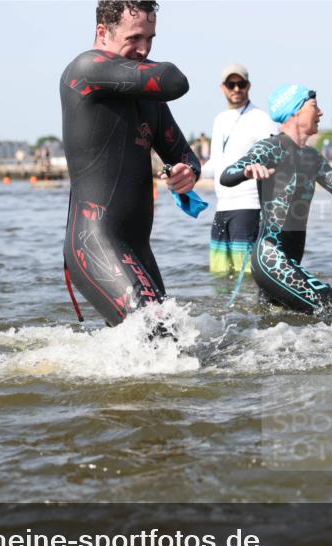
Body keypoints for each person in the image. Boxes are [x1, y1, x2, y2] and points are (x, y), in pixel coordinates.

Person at [60, 0, 200, 327]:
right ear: (102, 32)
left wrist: (187, 171)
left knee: (169, 342)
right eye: (134, 38)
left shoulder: (146, 96)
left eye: (150, 38)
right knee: (157, 336)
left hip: (137, 248)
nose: (144, 49)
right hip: (95, 242)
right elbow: (174, 80)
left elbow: (183, 154)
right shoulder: (86, 69)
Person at [219, 84, 332, 313]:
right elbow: (227, 175)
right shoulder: (270, 147)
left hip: (290, 262)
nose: (321, 112)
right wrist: (247, 171)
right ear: (295, 112)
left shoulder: (312, 157)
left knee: (275, 322)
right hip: (271, 259)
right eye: (314, 106)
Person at [199, 63, 277, 275]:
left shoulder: (261, 119)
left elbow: (276, 162)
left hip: (249, 208)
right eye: (230, 84)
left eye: (240, 84)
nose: (236, 89)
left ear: (248, 86)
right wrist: (191, 172)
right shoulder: (220, 120)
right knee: (219, 275)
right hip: (222, 208)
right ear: (222, 88)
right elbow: (216, 164)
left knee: (248, 275)